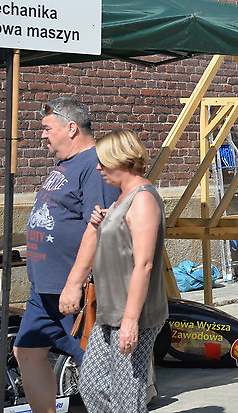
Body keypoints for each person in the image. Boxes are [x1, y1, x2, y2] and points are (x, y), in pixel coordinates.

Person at [14, 98, 119, 413]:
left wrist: (74, 284)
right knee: (26, 352)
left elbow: (97, 228)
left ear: (71, 128)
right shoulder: (66, 164)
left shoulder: (95, 166)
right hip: (45, 289)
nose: (42, 135)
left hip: (75, 291)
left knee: (95, 366)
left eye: (47, 128)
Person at [60, 129, 167, 413]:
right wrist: (102, 222)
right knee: (92, 386)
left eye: (103, 162)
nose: (98, 168)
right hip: (109, 312)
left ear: (122, 160)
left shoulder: (143, 199)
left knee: (126, 396)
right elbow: (121, 236)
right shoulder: (123, 199)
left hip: (134, 314)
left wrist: (131, 321)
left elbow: (143, 264)